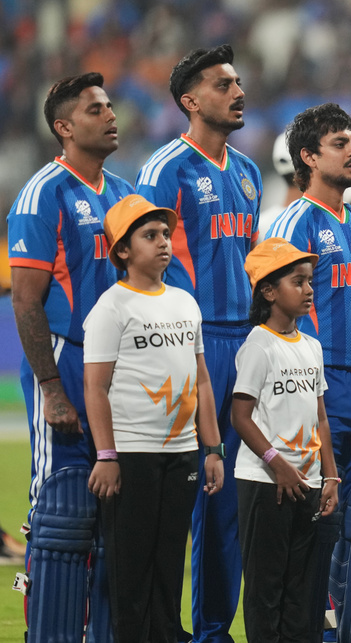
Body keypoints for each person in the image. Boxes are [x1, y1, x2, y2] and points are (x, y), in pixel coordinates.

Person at [136, 43, 262, 642]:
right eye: (222, 85)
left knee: (231, 500)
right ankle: (156, 626)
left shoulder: (248, 171)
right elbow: (139, 264)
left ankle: (214, 628)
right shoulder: (166, 169)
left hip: (245, 343)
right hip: (188, 344)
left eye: (238, 83)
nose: (238, 93)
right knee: (176, 496)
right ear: (190, 101)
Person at [265, 103, 351, 642]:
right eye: (340, 143)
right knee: (313, 518)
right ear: (308, 156)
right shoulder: (292, 224)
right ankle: (304, 630)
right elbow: (278, 315)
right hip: (320, 388)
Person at [8, 72, 133, 642]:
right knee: (61, 513)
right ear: (64, 127)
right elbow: (27, 303)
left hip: (123, 369)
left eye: (109, 106)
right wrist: (52, 389)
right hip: (70, 356)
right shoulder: (43, 193)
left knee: (117, 518)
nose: (110, 115)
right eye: (94, 109)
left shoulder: (123, 193)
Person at [82, 195, 225, 643]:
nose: (163, 242)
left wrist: (213, 449)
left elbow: (202, 380)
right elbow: (95, 388)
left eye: (165, 234)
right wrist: (106, 456)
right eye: (150, 235)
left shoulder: (185, 302)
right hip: (131, 456)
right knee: (131, 572)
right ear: (123, 251)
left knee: (168, 569)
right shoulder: (111, 307)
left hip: (182, 455)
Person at [231, 237, 340, 642]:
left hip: (306, 484)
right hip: (266, 484)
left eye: (310, 281)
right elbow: (240, 417)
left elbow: (321, 418)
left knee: (302, 590)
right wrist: (279, 465)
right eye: (299, 281)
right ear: (269, 291)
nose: (310, 289)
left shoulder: (311, 347)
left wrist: (330, 478)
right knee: (266, 589)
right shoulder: (258, 345)